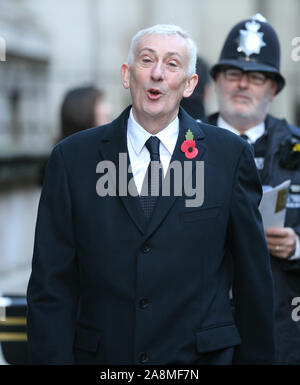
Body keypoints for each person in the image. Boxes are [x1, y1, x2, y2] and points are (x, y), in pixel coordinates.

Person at [26, 24, 275, 365]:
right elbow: (50, 288)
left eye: (172, 64)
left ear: (189, 85)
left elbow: (253, 284)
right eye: (147, 60)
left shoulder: (229, 157)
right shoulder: (72, 159)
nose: (157, 73)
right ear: (127, 75)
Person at [205, 14, 300, 364]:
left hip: (282, 333)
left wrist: (297, 245)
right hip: (200, 334)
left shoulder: (298, 149)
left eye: (257, 76)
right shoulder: (180, 147)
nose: (243, 85)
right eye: (233, 74)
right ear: (216, 81)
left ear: (273, 88)